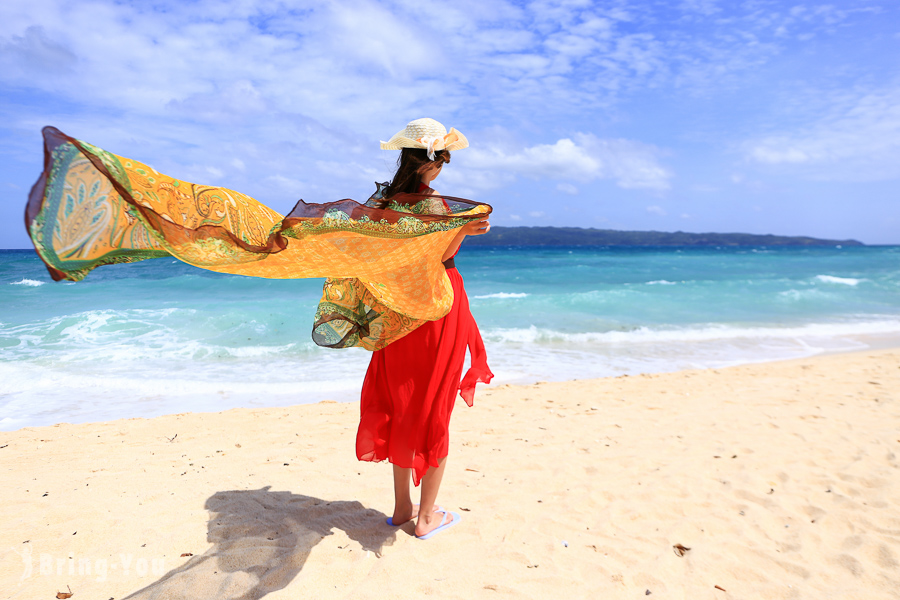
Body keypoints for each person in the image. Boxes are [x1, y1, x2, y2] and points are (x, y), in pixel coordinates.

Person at [355, 118, 494, 539]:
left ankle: (401, 509)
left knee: (401, 402)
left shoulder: (384, 203)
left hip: (398, 309)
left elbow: (384, 260)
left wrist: (458, 227)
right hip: (438, 305)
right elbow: (435, 260)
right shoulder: (435, 206)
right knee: (434, 407)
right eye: (442, 163)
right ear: (430, 165)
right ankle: (426, 518)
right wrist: (463, 230)